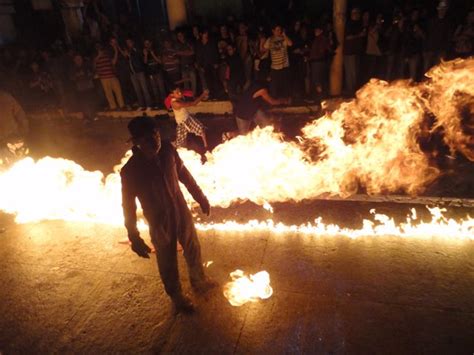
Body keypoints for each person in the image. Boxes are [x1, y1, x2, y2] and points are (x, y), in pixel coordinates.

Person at [120, 116, 217, 313]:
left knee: (192, 245)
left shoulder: (167, 150)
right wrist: (134, 235)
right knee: (166, 257)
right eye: (148, 138)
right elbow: (128, 205)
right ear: (137, 141)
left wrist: (201, 197)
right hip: (158, 218)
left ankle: (199, 280)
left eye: (155, 134)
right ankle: (176, 296)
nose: (154, 140)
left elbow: (184, 175)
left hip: (180, 208)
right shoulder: (130, 170)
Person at [264, 24, 293, 99]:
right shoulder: (270, 39)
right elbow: (264, 49)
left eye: (280, 30)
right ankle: (274, 101)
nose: (278, 32)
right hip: (274, 66)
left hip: (284, 66)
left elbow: (290, 44)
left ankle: (286, 100)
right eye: (277, 30)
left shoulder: (284, 39)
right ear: (273, 31)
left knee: (285, 85)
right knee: (274, 86)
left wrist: (284, 35)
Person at [94, 43, 124, 110]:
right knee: (108, 94)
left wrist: (116, 51)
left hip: (112, 76)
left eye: (100, 47)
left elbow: (113, 62)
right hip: (104, 78)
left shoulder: (107, 55)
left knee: (118, 91)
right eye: (98, 47)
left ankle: (122, 106)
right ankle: (113, 107)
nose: (99, 49)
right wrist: (98, 56)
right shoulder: (95, 57)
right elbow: (93, 65)